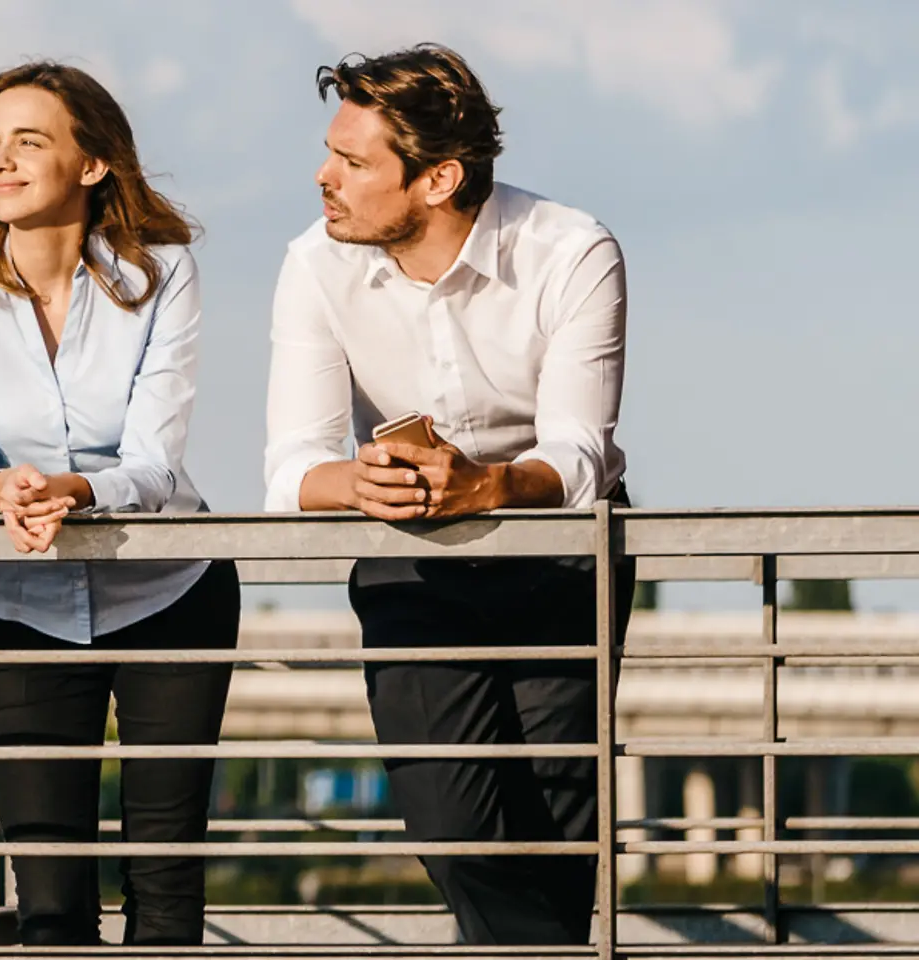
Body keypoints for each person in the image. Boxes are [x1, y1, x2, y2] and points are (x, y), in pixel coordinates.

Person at [263, 44, 636, 946]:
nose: (324, 177)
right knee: (451, 823)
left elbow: (580, 454)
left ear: (439, 179)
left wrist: (490, 485)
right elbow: (291, 472)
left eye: (353, 163)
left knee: (557, 835)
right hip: (411, 561)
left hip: (560, 558)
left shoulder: (572, 251)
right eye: (331, 152)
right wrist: (360, 480)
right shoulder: (315, 265)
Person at [0, 60, 239, 947]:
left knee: (165, 880)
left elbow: (155, 463)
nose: (1, 161)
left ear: (92, 164)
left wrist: (77, 490)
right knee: (48, 899)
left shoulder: (161, 272)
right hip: (21, 598)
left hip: (168, 586)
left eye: (29, 140)